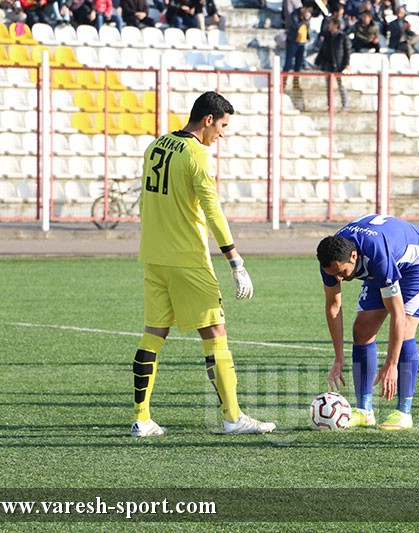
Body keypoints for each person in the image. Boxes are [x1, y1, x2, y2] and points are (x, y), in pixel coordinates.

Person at [130, 91, 275, 437]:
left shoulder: (156, 146)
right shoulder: (198, 155)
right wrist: (235, 260)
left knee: (153, 334)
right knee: (215, 334)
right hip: (188, 260)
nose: (222, 133)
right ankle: (233, 417)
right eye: (222, 125)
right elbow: (213, 211)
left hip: (153, 257)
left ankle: (142, 418)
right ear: (208, 119)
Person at [317, 214, 419, 431]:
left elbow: (397, 313)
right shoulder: (330, 258)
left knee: (407, 329)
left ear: (353, 256)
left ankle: (404, 412)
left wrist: (391, 365)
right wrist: (338, 357)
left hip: (416, 265)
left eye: (341, 273)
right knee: (362, 331)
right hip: (381, 266)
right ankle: (364, 411)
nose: (338, 279)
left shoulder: (377, 255)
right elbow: (333, 306)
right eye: (332, 275)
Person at [315, 17, 351, 111]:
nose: (328, 26)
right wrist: (317, 61)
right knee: (329, 87)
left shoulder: (342, 36)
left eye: (330, 24)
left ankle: (345, 106)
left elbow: (347, 51)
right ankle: (330, 106)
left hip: (339, 65)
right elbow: (322, 50)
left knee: (341, 86)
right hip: (328, 64)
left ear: (335, 25)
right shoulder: (327, 36)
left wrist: (346, 64)